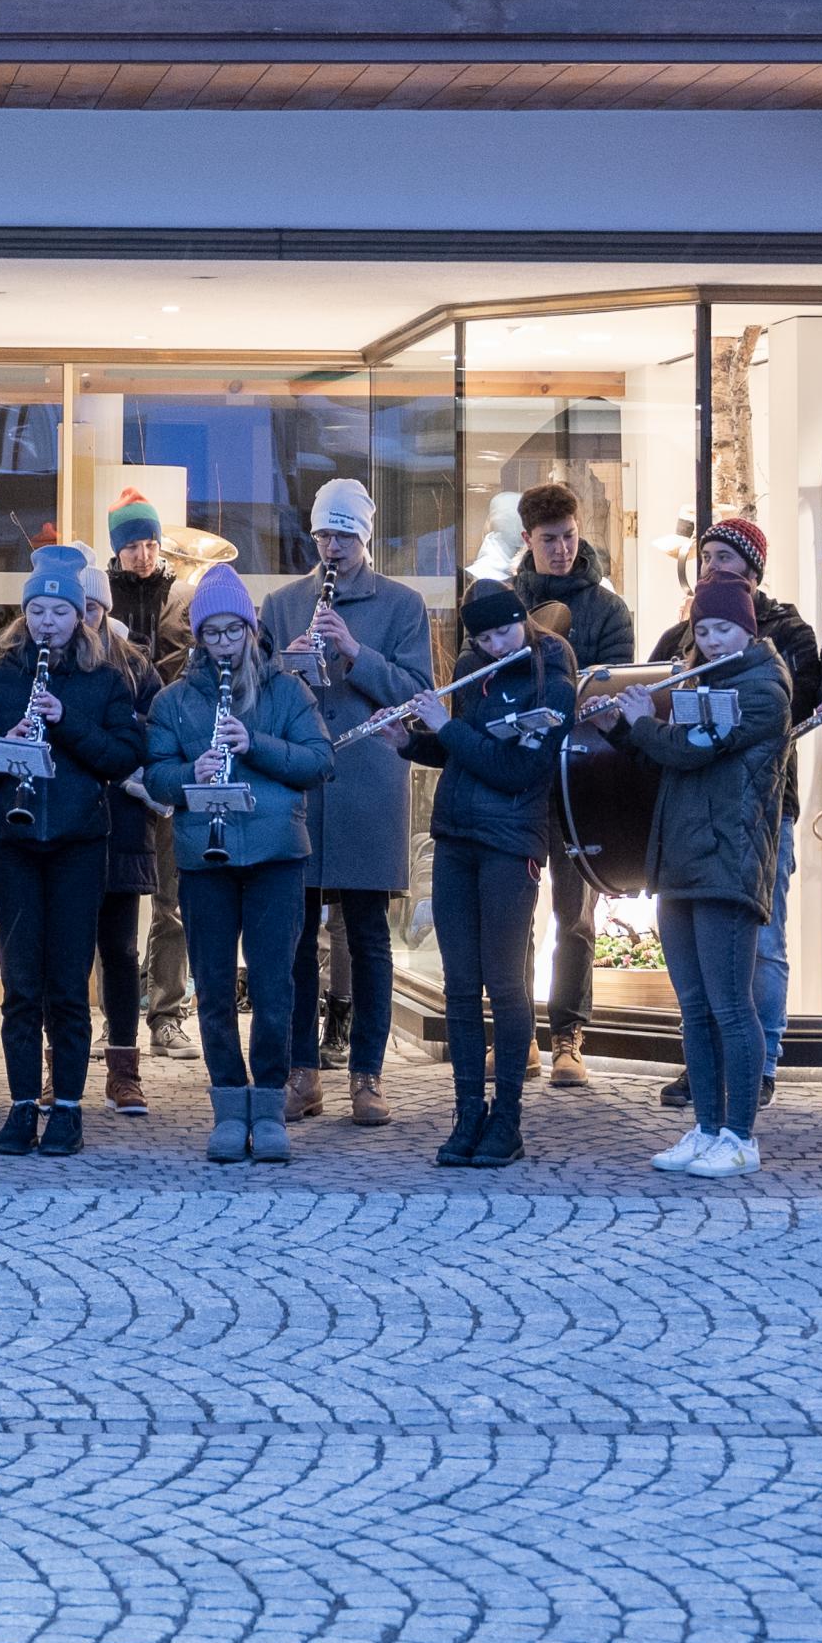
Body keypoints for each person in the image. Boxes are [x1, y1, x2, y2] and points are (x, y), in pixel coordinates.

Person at [0, 544, 151, 1156]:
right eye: (37, 611)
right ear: (25, 614)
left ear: (80, 617)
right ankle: (21, 1104)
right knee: (21, 984)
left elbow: (123, 756)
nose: (47, 621)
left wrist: (63, 719)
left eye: (59, 612)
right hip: (14, 842)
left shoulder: (105, 679)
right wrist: (5, 746)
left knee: (68, 983)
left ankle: (67, 1106)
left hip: (78, 843)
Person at [143, 564, 334, 1165]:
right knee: (214, 987)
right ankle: (229, 1104)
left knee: (275, 986)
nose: (224, 643)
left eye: (233, 631)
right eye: (212, 633)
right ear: (198, 637)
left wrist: (256, 745)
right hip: (207, 858)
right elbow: (156, 776)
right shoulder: (174, 700)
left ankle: (270, 1104)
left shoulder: (287, 691)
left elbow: (319, 761)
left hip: (277, 857)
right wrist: (189, 774)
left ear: (252, 630)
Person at [260, 479, 434, 1129]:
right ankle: (301, 1074)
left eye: (344, 535)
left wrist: (357, 653)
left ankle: (367, 1076)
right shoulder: (283, 603)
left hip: (368, 784)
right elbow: (257, 686)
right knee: (295, 936)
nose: (332, 547)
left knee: (367, 937)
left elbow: (418, 692)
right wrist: (289, 666)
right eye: (323, 535)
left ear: (365, 537)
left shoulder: (402, 605)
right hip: (300, 783)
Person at [385, 582, 578, 1166]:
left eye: (503, 632)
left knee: (506, 983)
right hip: (456, 837)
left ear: (523, 621)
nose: (495, 646)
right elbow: (462, 751)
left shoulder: (552, 678)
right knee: (461, 985)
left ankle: (507, 1119)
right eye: (484, 637)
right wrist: (410, 741)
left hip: (511, 843)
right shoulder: (475, 669)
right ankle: (468, 1112)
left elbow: (516, 769)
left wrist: (444, 727)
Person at [607, 576, 792, 1178]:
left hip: (727, 859)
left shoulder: (763, 689)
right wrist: (621, 726)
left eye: (724, 629)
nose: (712, 641)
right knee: (694, 1007)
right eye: (703, 630)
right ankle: (707, 1127)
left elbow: (694, 750)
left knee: (730, 1006)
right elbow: (666, 761)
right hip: (682, 859)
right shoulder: (698, 682)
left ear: (748, 630)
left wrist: (644, 722)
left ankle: (741, 1137)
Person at [655, 516, 822, 1118]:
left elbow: (793, 708)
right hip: (692, 815)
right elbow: (656, 701)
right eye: (706, 557)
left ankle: (760, 1067)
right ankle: (706, 1084)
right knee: (702, 981)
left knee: (762, 945)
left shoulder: (785, 635)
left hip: (759, 807)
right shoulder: (684, 635)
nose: (712, 567)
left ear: (753, 569)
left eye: (724, 557)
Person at [515, 480, 635, 1090]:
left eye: (569, 537)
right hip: (518, 776)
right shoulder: (504, 601)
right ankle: (518, 1035)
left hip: (582, 779)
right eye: (549, 540)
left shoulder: (609, 610)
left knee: (576, 915)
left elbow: (616, 688)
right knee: (513, 913)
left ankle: (567, 1036)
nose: (562, 549)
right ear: (527, 539)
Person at [99, 493, 201, 1080]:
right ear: (116, 548)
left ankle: (167, 1012)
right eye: (132, 544)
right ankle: (110, 1017)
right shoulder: (100, 597)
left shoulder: (182, 595)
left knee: (172, 897)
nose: (142, 554)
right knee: (103, 896)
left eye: (150, 542)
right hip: (114, 762)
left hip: (168, 751)